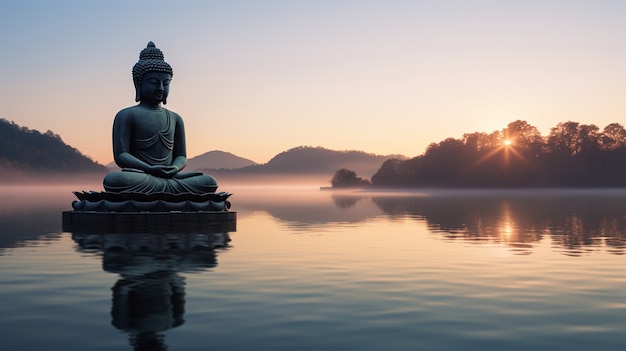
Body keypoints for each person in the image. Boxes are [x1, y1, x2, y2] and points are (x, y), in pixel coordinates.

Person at [103, 42, 217, 194]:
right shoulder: (126, 115)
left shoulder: (175, 118)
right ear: (138, 83)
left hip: (171, 178)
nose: (161, 89)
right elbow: (121, 156)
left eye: (166, 83)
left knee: (209, 182)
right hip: (142, 177)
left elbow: (181, 155)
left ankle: (162, 192)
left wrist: (175, 168)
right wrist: (149, 169)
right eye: (154, 82)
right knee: (114, 181)